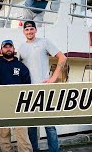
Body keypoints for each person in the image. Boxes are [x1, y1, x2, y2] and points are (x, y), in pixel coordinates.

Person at [18, 21, 67, 152]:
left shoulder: (44, 42)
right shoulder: (21, 48)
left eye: (31, 29)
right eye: (27, 29)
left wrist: (53, 78)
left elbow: (62, 58)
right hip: (29, 92)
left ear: (35, 30)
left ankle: (54, 150)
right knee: (32, 127)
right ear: (24, 31)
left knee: (49, 125)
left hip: (45, 90)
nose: (29, 31)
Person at [0, 40, 33, 152]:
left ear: (13, 49)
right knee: (3, 135)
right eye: (5, 47)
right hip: (0, 104)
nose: (8, 49)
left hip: (19, 105)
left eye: (10, 47)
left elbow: (27, 87)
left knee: (22, 135)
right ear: (1, 50)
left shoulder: (21, 67)